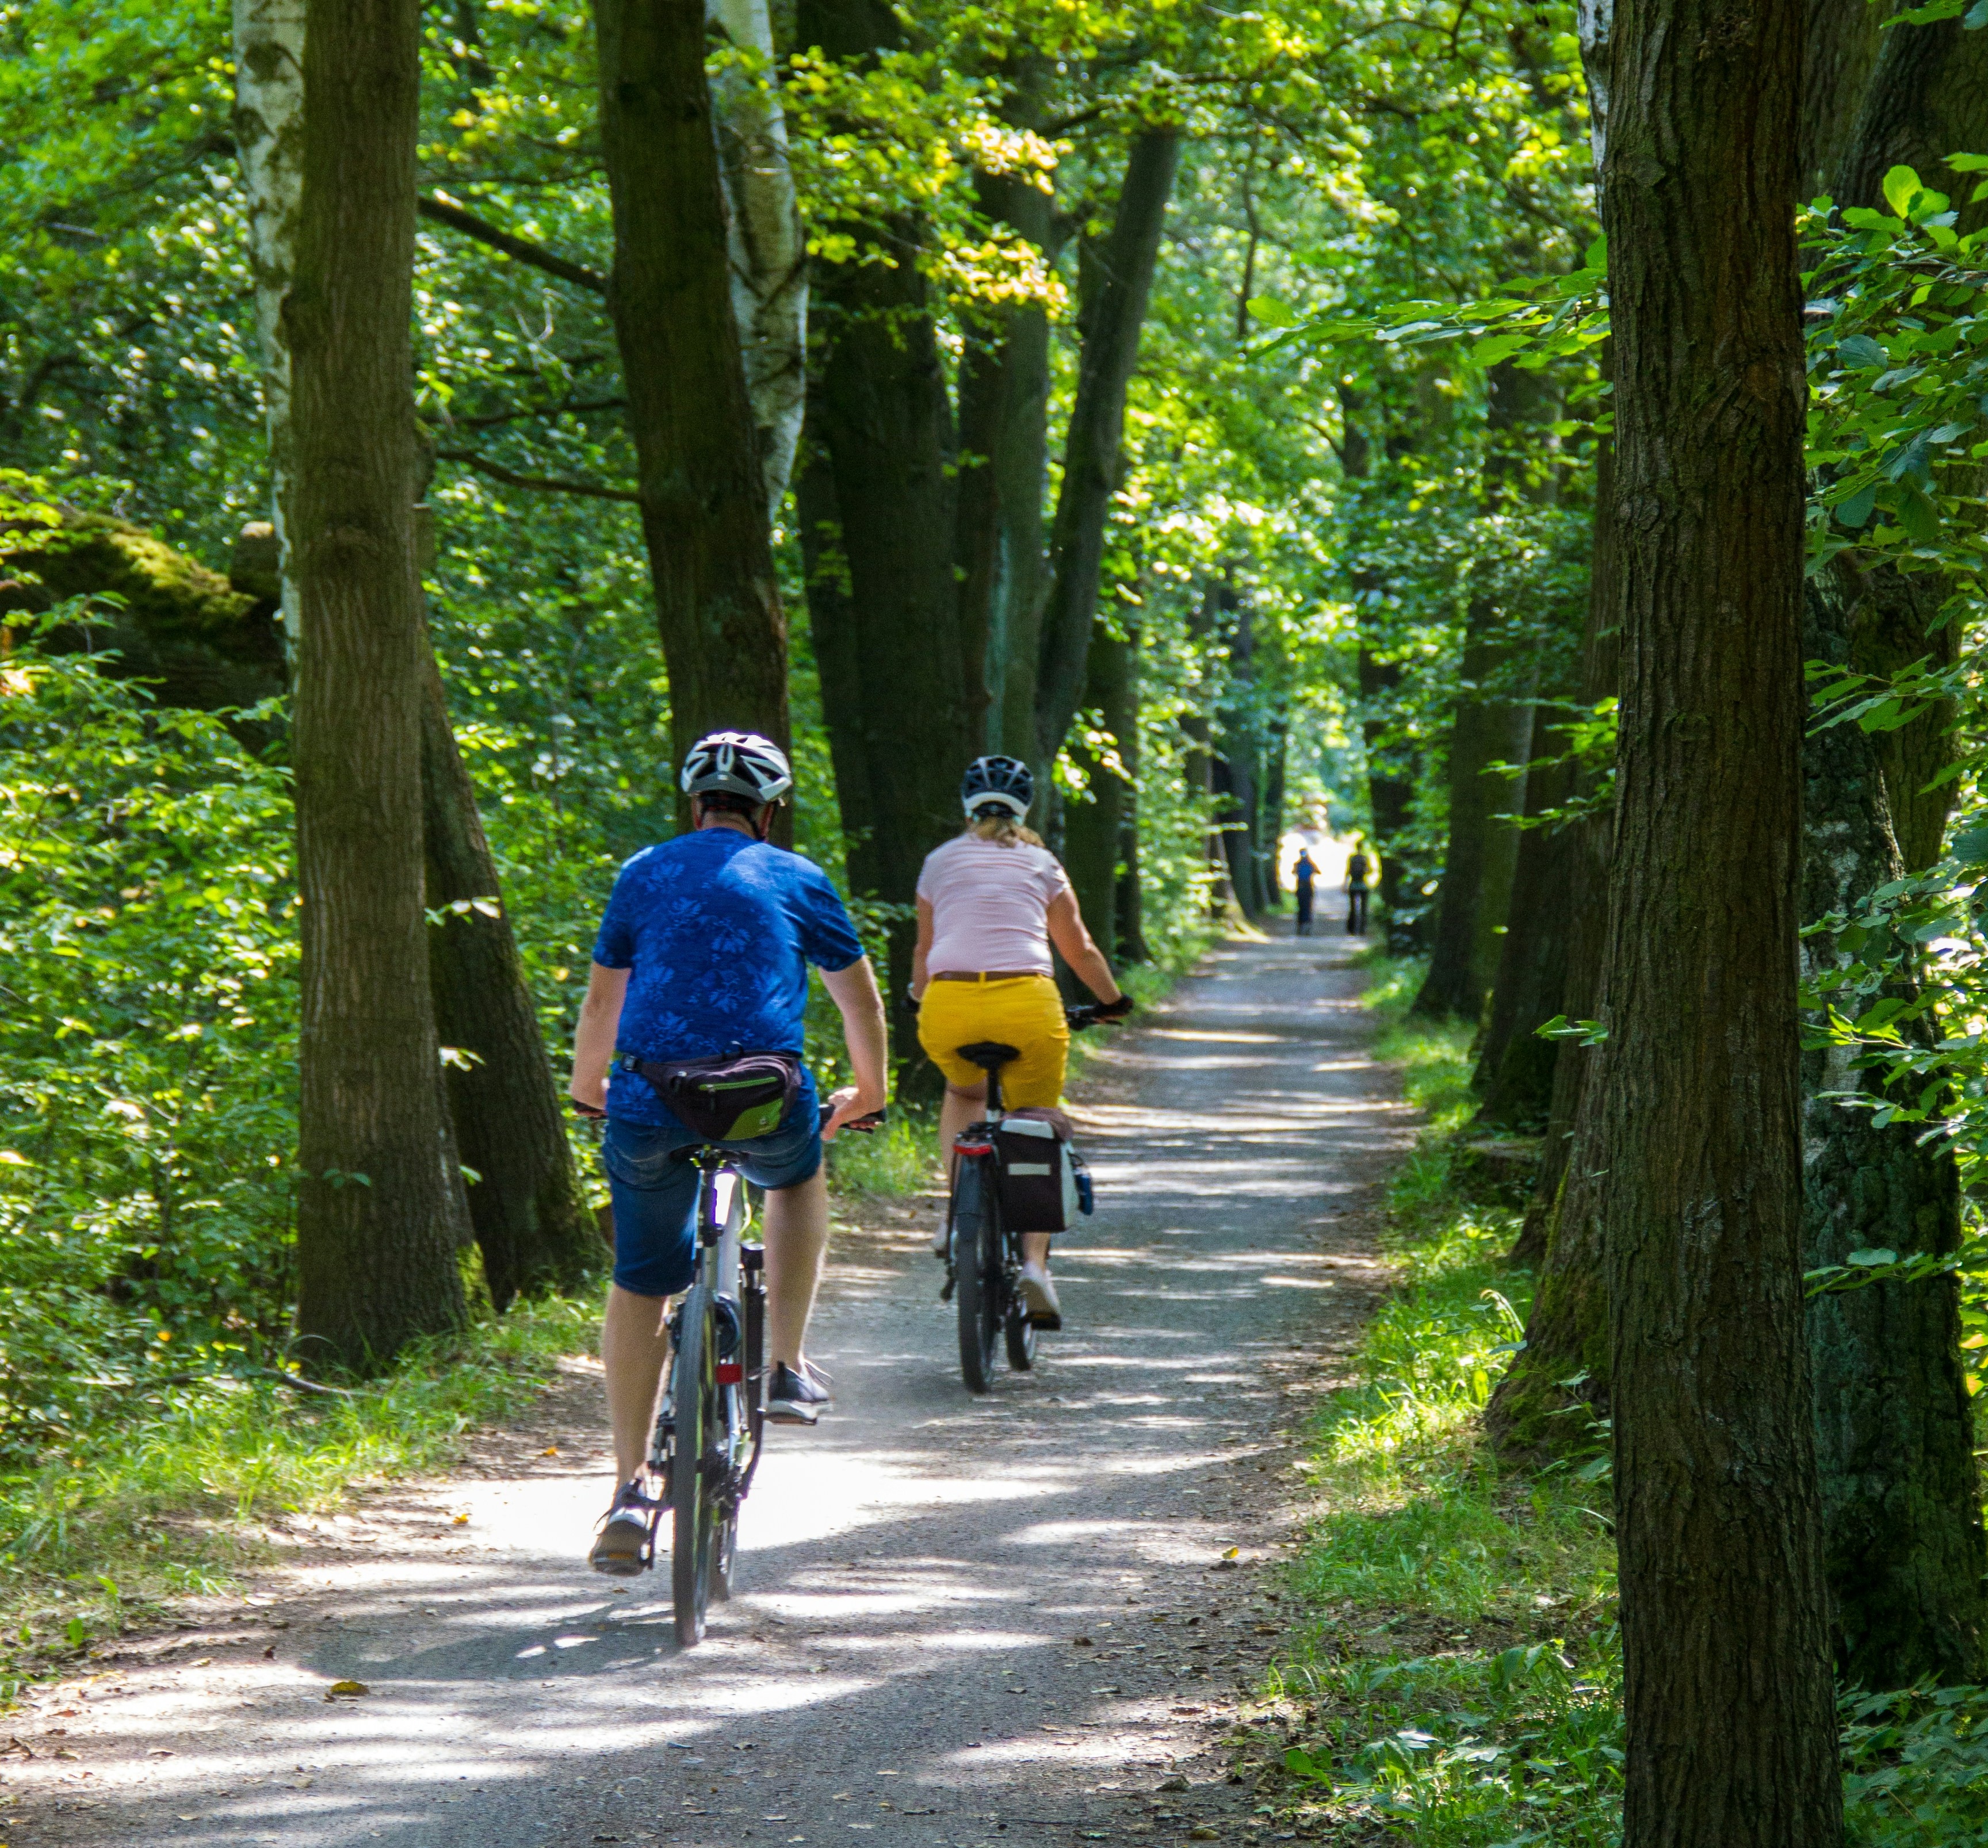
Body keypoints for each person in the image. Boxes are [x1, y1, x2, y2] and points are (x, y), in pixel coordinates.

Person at [569, 730, 888, 1574]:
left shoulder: (643, 872)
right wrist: (872, 1089)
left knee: (641, 1279)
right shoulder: (797, 878)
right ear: (772, 809)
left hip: (649, 1097)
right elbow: (860, 1001)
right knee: (795, 1179)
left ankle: (629, 1491)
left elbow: (605, 1001)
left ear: (693, 803)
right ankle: (784, 1364)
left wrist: (588, 1089)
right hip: (762, 1098)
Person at [912, 756, 1131, 1331]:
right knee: (1035, 1120)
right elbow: (1078, 949)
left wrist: (918, 997)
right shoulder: (1041, 863)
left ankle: (957, 1216)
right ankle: (1035, 1265)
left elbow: (924, 952)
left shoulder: (938, 863)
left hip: (949, 1006)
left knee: (963, 1094)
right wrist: (1110, 1001)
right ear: (1025, 808)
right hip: (1029, 1006)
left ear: (967, 805)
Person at [1344, 840, 1371, 936]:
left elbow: (1348, 871)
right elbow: (1369, 871)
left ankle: (1351, 929)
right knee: (1363, 909)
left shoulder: (1352, 858)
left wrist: (1345, 885)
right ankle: (1362, 930)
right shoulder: (1365, 858)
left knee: (1353, 908)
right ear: (1362, 847)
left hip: (1353, 885)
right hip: (1363, 885)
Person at [1291, 847, 1318, 936]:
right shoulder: (1311, 864)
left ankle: (1301, 926)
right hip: (1308, 887)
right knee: (1308, 907)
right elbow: (1318, 872)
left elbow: (1293, 872)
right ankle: (1307, 927)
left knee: (1301, 907)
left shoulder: (1297, 864)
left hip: (1300, 887)